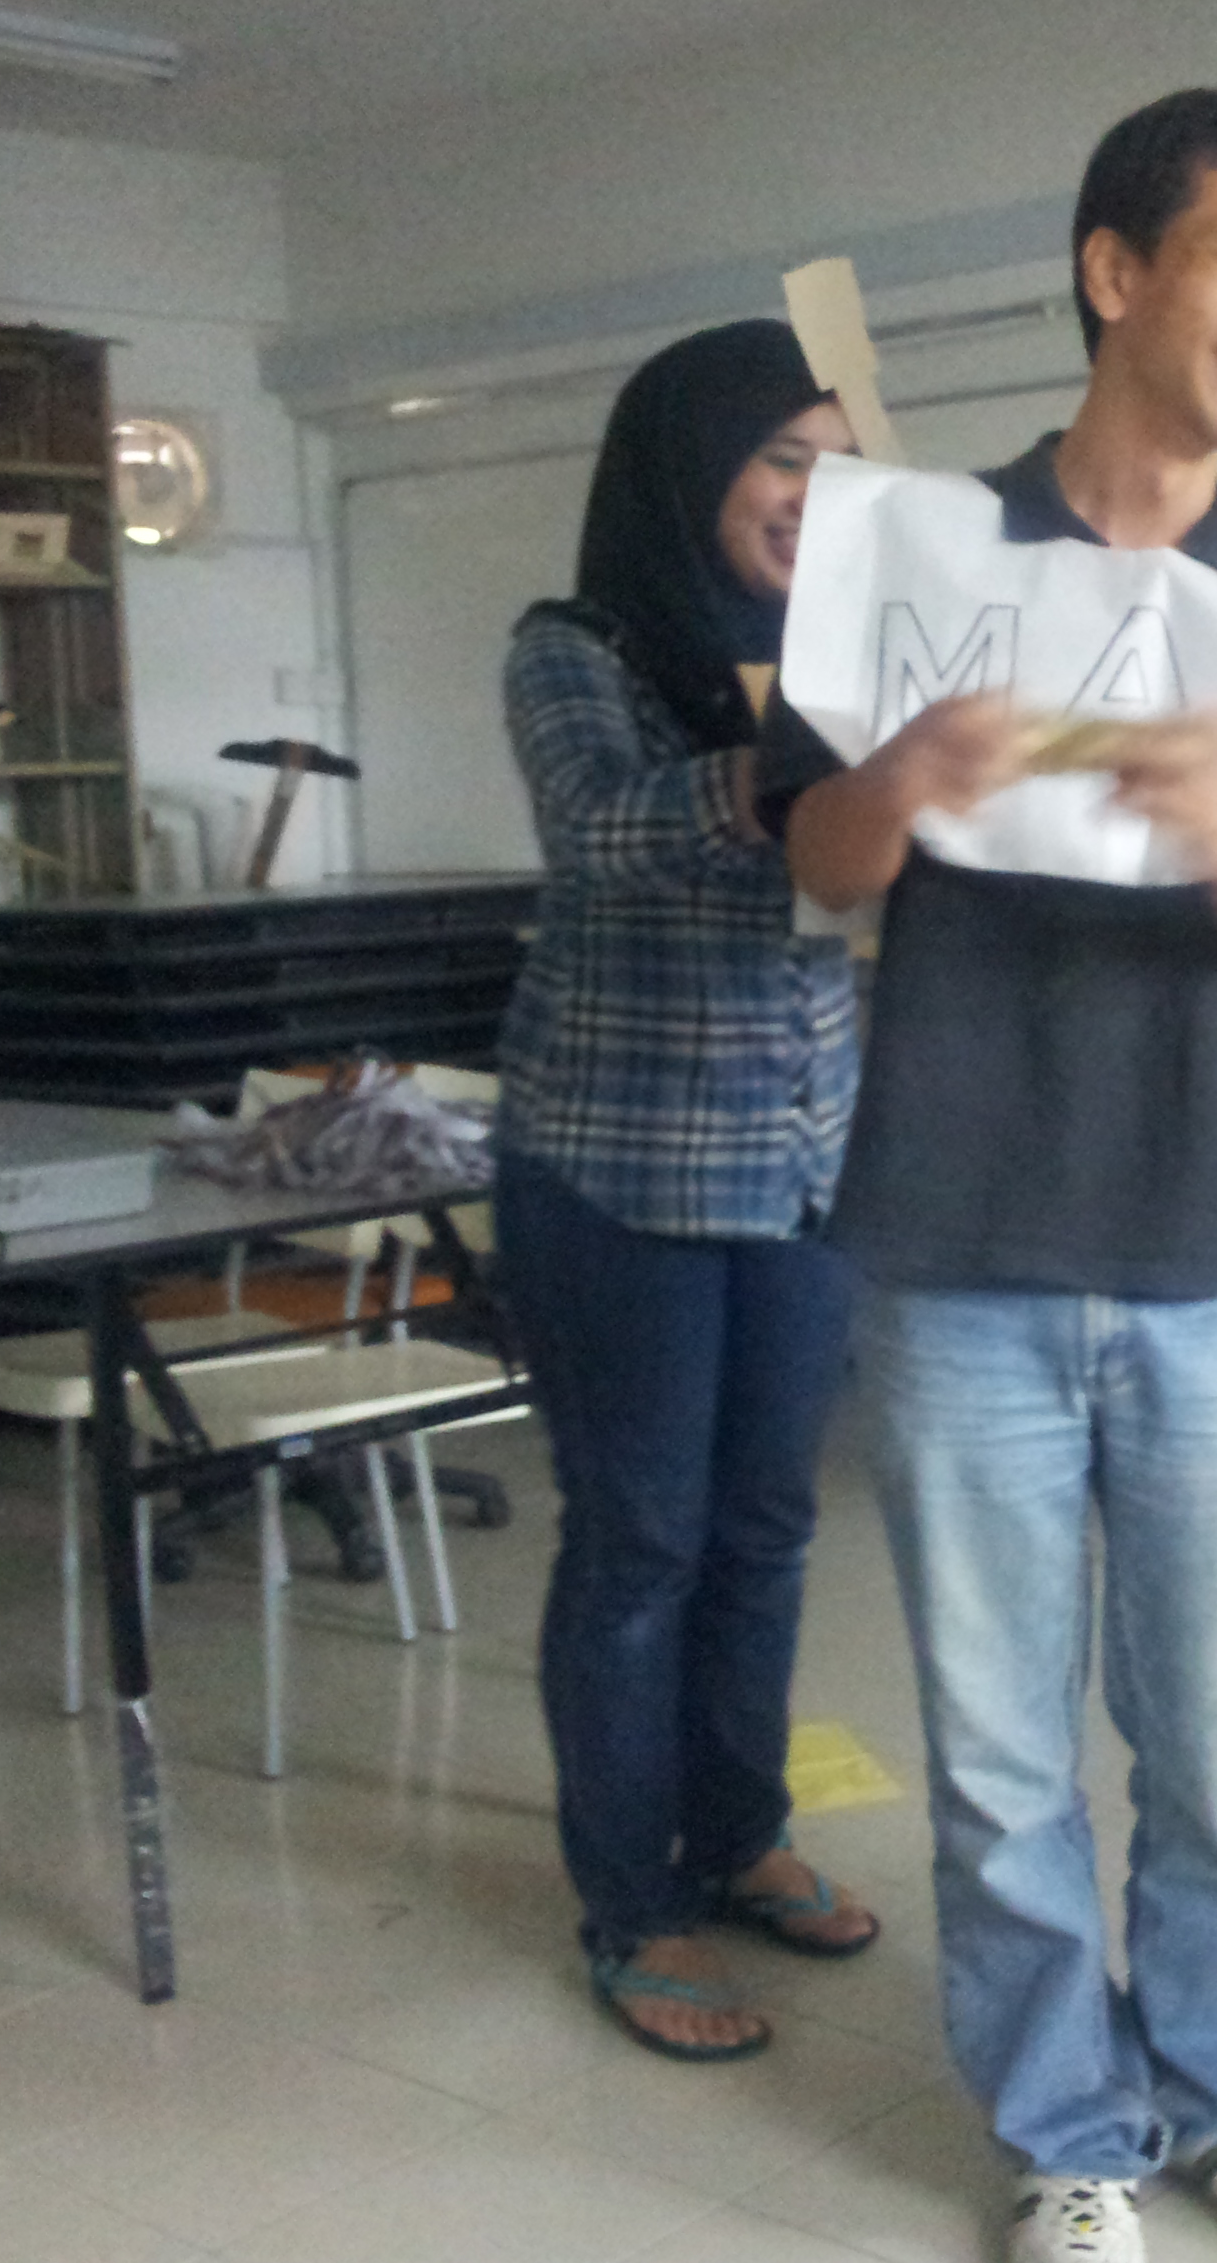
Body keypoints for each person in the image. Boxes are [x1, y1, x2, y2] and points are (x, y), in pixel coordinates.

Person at [762, 88, 1217, 2263]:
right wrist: (902, 770)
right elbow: (817, 862)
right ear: (1115, 272)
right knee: (996, 1756)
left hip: (1205, 1257)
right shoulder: (922, 560)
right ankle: (1071, 2131)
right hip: (955, 1253)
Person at [494, 320, 881, 2065]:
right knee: (639, 1544)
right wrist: (816, 769)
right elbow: (601, 824)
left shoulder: (847, 654)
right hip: (619, 1172)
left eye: (837, 468)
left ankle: (738, 1836)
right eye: (782, 457)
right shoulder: (576, 649)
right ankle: (629, 1902)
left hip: (804, 1169)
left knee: (768, 1531)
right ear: (688, 466)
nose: (812, 497)